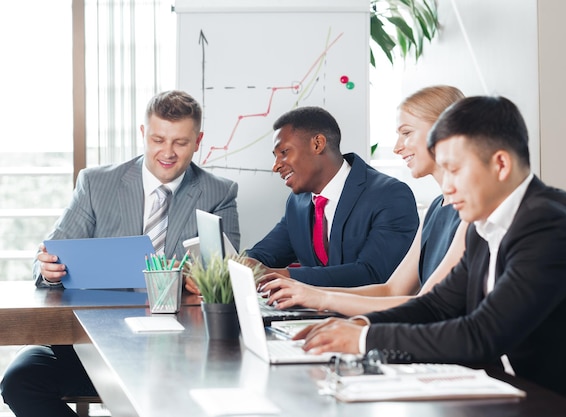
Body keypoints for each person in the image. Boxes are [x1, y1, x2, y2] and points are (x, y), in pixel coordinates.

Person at [293, 95, 566, 417]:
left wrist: (364, 339)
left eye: (454, 170)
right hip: (523, 392)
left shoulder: (549, 225)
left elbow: (481, 334)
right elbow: (438, 305)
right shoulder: (485, 224)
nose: (447, 186)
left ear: (500, 164)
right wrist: (360, 324)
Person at [1, 90, 241, 417]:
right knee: (20, 381)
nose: (167, 152)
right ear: (143, 134)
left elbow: (224, 275)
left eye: (180, 143)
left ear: (198, 141)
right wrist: (47, 270)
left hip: (180, 349)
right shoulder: (97, 184)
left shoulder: (219, 192)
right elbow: (47, 257)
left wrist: (200, 280)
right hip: (93, 341)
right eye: (158, 139)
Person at [258, 86, 468, 316]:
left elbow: (425, 304)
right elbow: (392, 290)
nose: (397, 148)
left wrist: (318, 298)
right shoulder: (435, 211)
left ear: (447, 130)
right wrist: (317, 299)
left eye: (406, 133)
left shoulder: (469, 214)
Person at [244, 106, 418, 287]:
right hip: (315, 312)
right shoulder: (298, 202)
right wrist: (240, 265)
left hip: (366, 314)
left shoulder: (390, 195)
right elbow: (264, 255)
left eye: (284, 153)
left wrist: (281, 276)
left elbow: (374, 274)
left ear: (317, 144)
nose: (276, 166)